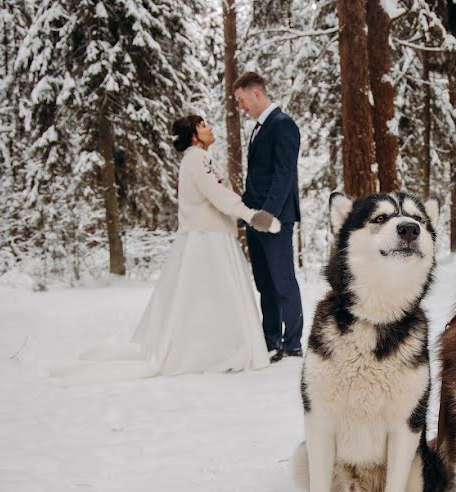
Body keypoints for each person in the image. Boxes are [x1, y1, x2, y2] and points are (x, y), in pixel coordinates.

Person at [53, 115, 279, 381]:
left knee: (210, 297)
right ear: (194, 136)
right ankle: (213, 350)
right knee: (213, 296)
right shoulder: (196, 158)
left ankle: (219, 346)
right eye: (203, 126)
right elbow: (217, 195)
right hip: (207, 239)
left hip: (215, 235)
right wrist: (251, 215)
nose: (210, 128)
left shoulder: (201, 158)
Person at [233, 72, 304, 363]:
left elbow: (283, 175)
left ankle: (293, 342)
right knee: (264, 282)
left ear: (257, 94)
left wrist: (268, 213)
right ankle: (270, 338)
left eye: (242, 100)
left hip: (275, 220)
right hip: (255, 219)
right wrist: (245, 211)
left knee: (282, 281)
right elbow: (258, 178)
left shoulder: (283, 125)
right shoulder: (259, 128)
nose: (241, 107)